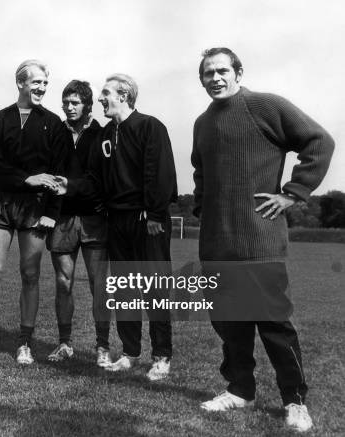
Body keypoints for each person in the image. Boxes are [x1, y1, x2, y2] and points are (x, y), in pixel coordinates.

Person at [192, 47, 334, 432]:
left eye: (223, 70)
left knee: (274, 326)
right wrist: (204, 208)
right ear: (201, 79)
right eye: (208, 73)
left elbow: (319, 142)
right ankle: (240, 390)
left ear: (238, 72)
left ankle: (295, 400)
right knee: (230, 326)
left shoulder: (264, 105)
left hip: (259, 241)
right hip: (217, 245)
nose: (216, 78)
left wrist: (293, 192)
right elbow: (200, 172)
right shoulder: (202, 123)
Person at [59, 74, 176, 380]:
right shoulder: (105, 134)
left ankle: (162, 356)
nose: (100, 99)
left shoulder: (150, 126)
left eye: (106, 94)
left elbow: (159, 174)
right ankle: (130, 353)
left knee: (154, 288)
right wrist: (69, 186)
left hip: (147, 220)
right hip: (117, 220)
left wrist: (153, 214)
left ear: (124, 96)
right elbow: (95, 180)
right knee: (126, 288)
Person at [0, 59, 70, 365]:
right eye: (36, 82)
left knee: (30, 274)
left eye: (45, 83)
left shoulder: (54, 124)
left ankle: (24, 344)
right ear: (20, 83)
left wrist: (51, 213)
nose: (41, 88)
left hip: (35, 209)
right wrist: (25, 179)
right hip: (1, 202)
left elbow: (59, 175)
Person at [46, 80, 111, 367]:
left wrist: (73, 187)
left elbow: (104, 180)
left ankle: (102, 346)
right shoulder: (55, 132)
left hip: (94, 218)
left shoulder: (103, 133)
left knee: (99, 284)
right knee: (63, 283)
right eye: (65, 102)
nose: (68, 107)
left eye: (75, 102)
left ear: (88, 105)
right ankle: (64, 343)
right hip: (61, 219)